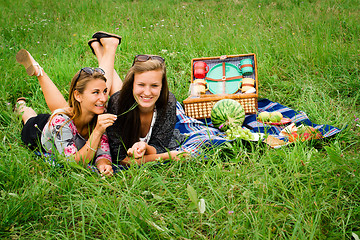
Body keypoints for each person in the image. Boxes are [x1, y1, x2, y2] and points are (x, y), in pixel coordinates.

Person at [15, 48, 117, 176]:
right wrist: (97, 131)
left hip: (65, 121)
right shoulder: (61, 122)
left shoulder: (100, 114)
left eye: (105, 91)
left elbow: (103, 150)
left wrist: (104, 165)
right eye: (96, 92)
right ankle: (20, 106)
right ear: (78, 95)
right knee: (28, 117)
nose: (103, 98)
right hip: (37, 131)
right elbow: (73, 164)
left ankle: (39, 72)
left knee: (63, 112)